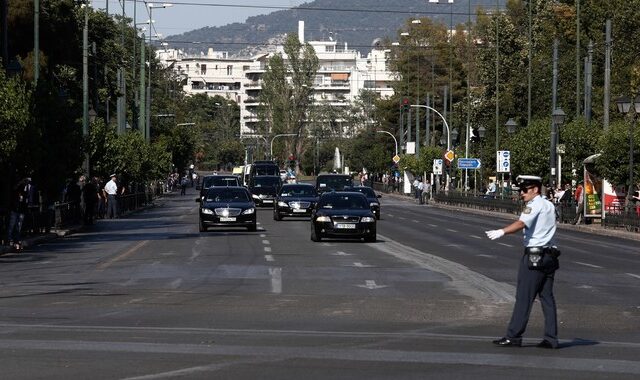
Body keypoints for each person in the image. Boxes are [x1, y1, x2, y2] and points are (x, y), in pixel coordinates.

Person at [485, 175, 561, 349]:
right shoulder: (549, 204)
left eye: (524, 190)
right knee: (547, 298)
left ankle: (514, 336)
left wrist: (502, 232)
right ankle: (551, 338)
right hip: (550, 255)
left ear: (535, 189)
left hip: (535, 255)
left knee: (524, 298)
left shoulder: (534, 205)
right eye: (520, 190)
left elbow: (521, 223)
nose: (521, 194)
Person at [6, 178, 30, 251]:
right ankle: (9, 239)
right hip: (15, 209)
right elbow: (15, 189)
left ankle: (16, 240)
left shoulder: (25, 190)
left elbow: (25, 199)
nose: (27, 183)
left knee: (18, 226)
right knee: (12, 225)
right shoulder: (17, 188)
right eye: (26, 181)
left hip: (20, 210)